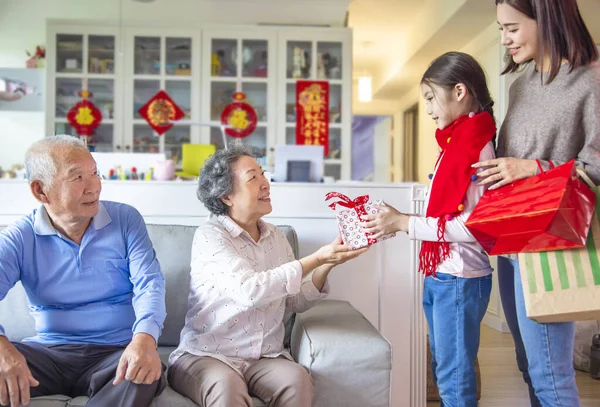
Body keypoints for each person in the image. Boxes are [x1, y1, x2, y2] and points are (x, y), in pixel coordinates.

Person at [168, 143, 367, 407]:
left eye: (263, 174)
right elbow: (250, 291)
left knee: (297, 380)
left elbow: (295, 302)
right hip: (207, 354)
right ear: (226, 196)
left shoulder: (276, 236)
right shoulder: (211, 236)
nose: (265, 183)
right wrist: (317, 257)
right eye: (253, 178)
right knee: (227, 387)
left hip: (265, 358)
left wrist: (327, 263)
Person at [473, 1, 600, 405]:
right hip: (512, 238)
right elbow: (510, 160)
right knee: (528, 365)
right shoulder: (521, 84)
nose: (504, 39)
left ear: (546, 18)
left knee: (550, 374)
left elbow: (595, 164)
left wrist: (532, 167)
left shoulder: (591, 80)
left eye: (512, 27)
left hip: (552, 240)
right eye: (500, 29)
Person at [362, 52, 497, 406]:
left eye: (429, 98)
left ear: (459, 91)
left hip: (460, 278)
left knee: (454, 379)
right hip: (442, 274)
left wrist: (405, 223)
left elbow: (474, 226)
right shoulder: (455, 142)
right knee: (444, 371)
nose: (428, 109)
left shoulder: (478, 146)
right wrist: (400, 220)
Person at [0, 135, 167, 407]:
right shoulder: (20, 237)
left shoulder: (126, 220)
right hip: (48, 354)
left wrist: (145, 338)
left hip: (115, 353)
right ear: (41, 190)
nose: (94, 187)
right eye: (77, 177)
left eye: (94, 173)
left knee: (144, 373)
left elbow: (150, 284)